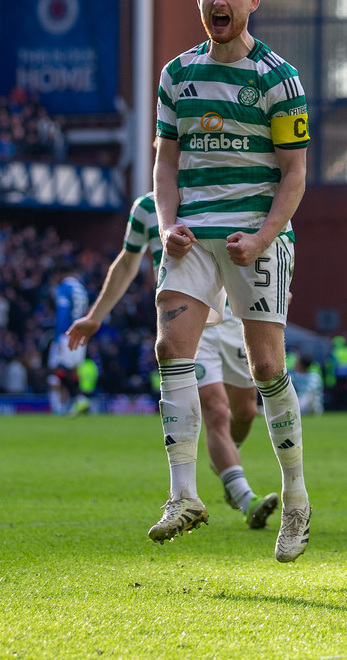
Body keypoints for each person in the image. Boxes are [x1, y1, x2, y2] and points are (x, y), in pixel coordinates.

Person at [150, 0, 311, 562]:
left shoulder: (279, 77)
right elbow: (167, 162)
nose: (220, 2)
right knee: (170, 347)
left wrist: (265, 236)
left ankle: (295, 499)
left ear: (253, 2)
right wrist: (167, 224)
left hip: (254, 239)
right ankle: (184, 495)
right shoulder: (176, 74)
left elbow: (294, 175)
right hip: (192, 234)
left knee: (267, 366)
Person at [66, 190, 279, 529]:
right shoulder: (148, 207)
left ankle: (223, 461)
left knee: (245, 412)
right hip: (188, 322)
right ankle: (245, 496)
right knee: (217, 411)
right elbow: (126, 262)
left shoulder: (223, 191)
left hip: (234, 318)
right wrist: (95, 316)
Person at [47, 269, 89, 415]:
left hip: (67, 333)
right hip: (81, 333)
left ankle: (75, 399)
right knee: (72, 370)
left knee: (56, 368)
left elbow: (63, 312)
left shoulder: (64, 287)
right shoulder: (82, 289)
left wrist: (59, 335)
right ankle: (72, 403)